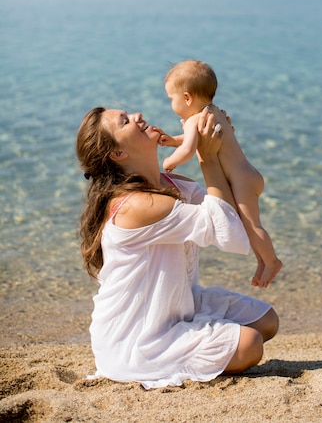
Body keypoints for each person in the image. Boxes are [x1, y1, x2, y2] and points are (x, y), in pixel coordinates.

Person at [76, 105, 279, 389]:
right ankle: (169, 355)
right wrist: (207, 158)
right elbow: (228, 232)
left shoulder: (173, 184)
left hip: (177, 301)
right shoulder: (136, 205)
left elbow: (229, 207)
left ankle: (196, 329)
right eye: (125, 121)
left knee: (266, 321)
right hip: (137, 336)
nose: (137, 116)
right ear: (118, 153)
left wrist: (222, 142)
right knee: (250, 345)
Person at [162, 59, 282, 288]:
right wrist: (171, 141)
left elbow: (188, 149)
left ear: (186, 98)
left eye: (171, 99)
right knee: (250, 226)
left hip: (242, 182)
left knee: (253, 226)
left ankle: (272, 261)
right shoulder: (213, 112)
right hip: (246, 176)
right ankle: (262, 261)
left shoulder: (194, 119)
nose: (171, 103)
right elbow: (190, 140)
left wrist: (169, 161)